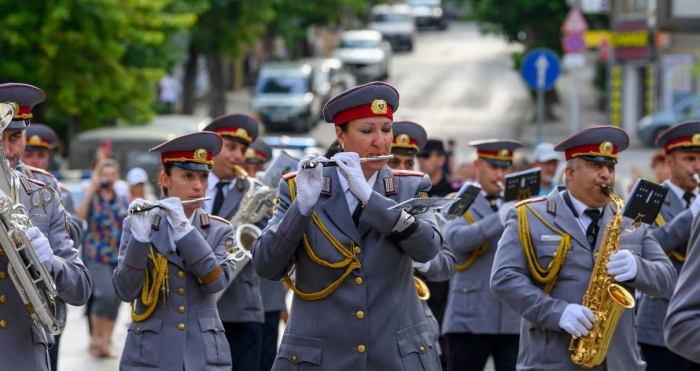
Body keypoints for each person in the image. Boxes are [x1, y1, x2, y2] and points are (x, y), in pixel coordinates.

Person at [251, 81, 443, 370]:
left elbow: (428, 247)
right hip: (320, 358)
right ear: (340, 134)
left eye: (386, 129)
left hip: (394, 357)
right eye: (367, 131)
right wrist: (300, 209)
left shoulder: (410, 186)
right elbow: (266, 266)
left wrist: (371, 199)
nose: (381, 141)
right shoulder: (299, 187)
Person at [491, 126, 677, 370]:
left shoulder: (630, 219)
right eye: (595, 166)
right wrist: (558, 313)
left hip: (620, 361)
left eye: (610, 167)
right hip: (554, 360)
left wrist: (638, 269)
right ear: (569, 172)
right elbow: (504, 279)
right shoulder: (529, 215)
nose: (606, 175)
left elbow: (668, 278)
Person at [113, 131, 235, 370]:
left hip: (202, 355)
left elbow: (216, 282)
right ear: (165, 179)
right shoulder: (139, 223)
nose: (198, 186)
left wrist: (184, 230)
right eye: (187, 176)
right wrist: (139, 238)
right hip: (149, 355)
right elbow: (125, 291)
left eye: (203, 176)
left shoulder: (220, 229)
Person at [0, 85, 92, 370]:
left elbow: (80, 288)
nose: (6, 150)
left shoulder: (43, 198)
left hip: (24, 355)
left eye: (14, 137)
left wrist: (51, 264)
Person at [441, 139, 524, 371]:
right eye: (494, 167)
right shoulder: (461, 199)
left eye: (505, 168)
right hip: (470, 315)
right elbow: (455, 240)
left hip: (511, 317)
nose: (500, 174)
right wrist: (498, 219)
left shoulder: (518, 203)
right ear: (478, 165)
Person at [388, 121, 456, 368]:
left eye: (409, 164)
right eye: (394, 163)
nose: (403, 170)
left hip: (417, 327)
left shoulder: (423, 207)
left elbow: (447, 264)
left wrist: (421, 258)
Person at [201, 113, 266, 370]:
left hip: (241, 308)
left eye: (242, 149)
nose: (238, 156)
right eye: (230, 148)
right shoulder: (193, 186)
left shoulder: (255, 193)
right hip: (198, 309)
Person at [636, 121, 700, 370]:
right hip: (659, 325)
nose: (697, 167)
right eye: (689, 159)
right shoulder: (648, 196)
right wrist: (691, 215)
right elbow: (642, 248)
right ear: (670, 162)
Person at [21, 121, 84, 371]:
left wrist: (52, 223)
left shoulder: (55, 189)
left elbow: (75, 238)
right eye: (30, 153)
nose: (35, 160)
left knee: (49, 357)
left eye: (41, 154)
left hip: (47, 295)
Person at [75, 158, 129, 358]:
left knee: (116, 299)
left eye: (112, 174)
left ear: (117, 176)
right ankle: (95, 338)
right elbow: (78, 215)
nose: (108, 178)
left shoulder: (122, 198)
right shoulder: (93, 197)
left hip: (117, 255)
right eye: (104, 175)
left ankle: (106, 342)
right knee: (104, 295)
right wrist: (90, 191)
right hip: (95, 254)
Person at [243, 137, 288, 371]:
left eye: (257, 167)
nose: (251, 172)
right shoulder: (234, 193)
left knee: (266, 361)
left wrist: (284, 292)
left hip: (269, 296)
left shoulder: (278, 199)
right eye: (247, 165)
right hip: (237, 298)